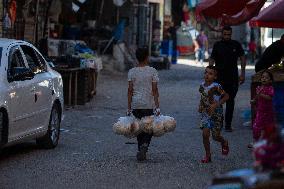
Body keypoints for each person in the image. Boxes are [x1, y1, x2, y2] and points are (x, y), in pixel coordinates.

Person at [209, 26, 246, 132]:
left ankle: (228, 125)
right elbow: (212, 59)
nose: (226, 36)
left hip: (232, 78)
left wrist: (242, 73)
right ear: (222, 34)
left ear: (231, 34)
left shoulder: (236, 44)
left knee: (230, 101)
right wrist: (210, 73)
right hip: (219, 78)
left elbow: (243, 58)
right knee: (218, 101)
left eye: (228, 34)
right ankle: (218, 123)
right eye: (224, 34)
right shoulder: (217, 45)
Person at [127, 47, 160, 161]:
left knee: (139, 127)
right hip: (148, 104)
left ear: (137, 58)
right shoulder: (152, 71)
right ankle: (145, 145)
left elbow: (130, 90)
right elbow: (155, 90)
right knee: (149, 127)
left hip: (136, 104)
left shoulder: (132, 72)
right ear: (147, 57)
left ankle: (140, 148)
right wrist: (157, 106)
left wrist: (128, 107)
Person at [198, 65, 230, 163]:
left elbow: (226, 97)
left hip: (217, 115)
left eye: (210, 73)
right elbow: (203, 98)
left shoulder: (217, 86)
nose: (207, 75)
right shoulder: (202, 86)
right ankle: (208, 155)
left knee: (216, 136)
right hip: (206, 114)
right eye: (206, 72)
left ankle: (224, 142)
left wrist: (216, 104)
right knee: (205, 134)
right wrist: (200, 105)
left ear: (215, 77)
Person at [249, 70, 275, 148]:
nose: (264, 79)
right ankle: (256, 141)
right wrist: (254, 100)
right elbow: (257, 97)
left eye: (266, 78)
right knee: (256, 126)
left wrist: (261, 94)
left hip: (269, 112)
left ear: (270, 80)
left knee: (268, 127)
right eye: (263, 77)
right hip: (260, 111)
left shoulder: (270, 88)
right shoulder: (259, 88)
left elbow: (270, 98)